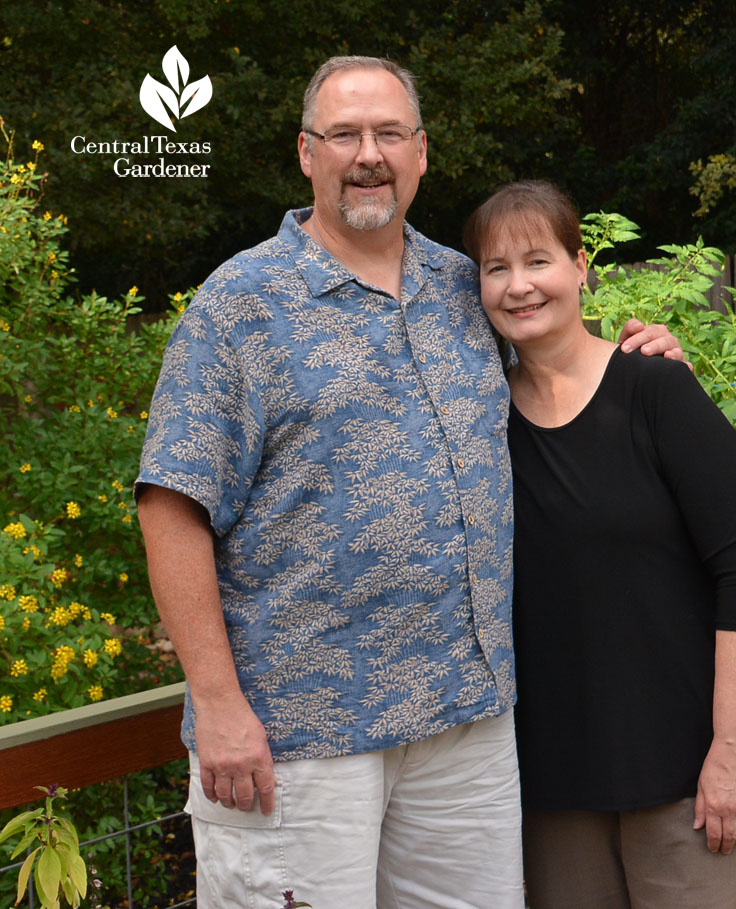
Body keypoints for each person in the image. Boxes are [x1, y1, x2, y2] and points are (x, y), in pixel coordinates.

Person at [136, 57, 683, 909]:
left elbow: (563, 382)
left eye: (389, 133)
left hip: (466, 723)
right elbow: (172, 505)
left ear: (421, 154)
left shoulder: (466, 289)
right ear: (306, 153)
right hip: (304, 733)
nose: (368, 154)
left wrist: (643, 362)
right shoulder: (238, 306)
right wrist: (216, 702)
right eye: (344, 134)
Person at [463, 179, 736, 909]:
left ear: (582, 266)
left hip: (691, 777)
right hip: (554, 787)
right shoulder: (479, 423)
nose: (519, 285)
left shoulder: (658, 392)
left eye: (537, 260)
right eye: (496, 268)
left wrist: (733, 752)